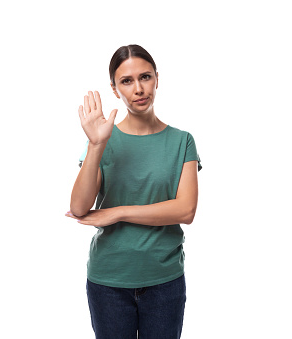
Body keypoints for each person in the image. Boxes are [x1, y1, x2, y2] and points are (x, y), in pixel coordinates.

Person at [66, 44, 202, 339]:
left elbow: (185, 210)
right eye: (127, 81)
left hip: (164, 280)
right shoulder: (104, 140)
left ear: (157, 79)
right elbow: (79, 208)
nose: (139, 88)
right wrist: (96, 145)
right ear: (115, 89)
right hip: (109, 281)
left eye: (145, 77)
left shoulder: (182, 142)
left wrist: (118, 212)